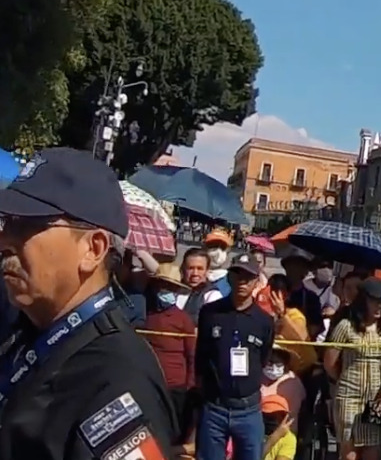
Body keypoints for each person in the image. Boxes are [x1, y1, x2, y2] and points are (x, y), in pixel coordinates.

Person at [0, 147, 178, 460]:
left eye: (27, 224)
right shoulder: (25, 334)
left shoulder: (118, 381)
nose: (4, 240)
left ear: (93, 249)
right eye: (6, 222)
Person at [194, 251, 276, 460]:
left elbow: (264, 356)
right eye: (237, 275)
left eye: (248, 277)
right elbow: (202, 354)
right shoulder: (210, 313)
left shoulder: (264, 321)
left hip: (248, 410)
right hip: (215, 407)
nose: (242, 282)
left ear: (256, 281)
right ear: (229, 277)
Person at [325, 276, 381, 460]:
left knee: (373, 451)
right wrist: (344, 382)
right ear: (363, 300)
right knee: (349, 453)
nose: (379, 306)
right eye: (374, 301)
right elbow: (330, 362)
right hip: (348, 397)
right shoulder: (346, 327)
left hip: (376, 400)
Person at [142, 261, 197, 438]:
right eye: (163, 286)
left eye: (171, 288)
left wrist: (190, 386)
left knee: (175, 432)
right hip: (152, 385)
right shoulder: (147, 315)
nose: (166, 291)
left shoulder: (183, 319)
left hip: (177, 388)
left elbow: (192, 355)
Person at [261, 391, 298, 460]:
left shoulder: (288, 438)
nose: (273, 420)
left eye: (279, 415)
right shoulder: (253, 433)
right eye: (268, 416)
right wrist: (274, 438)